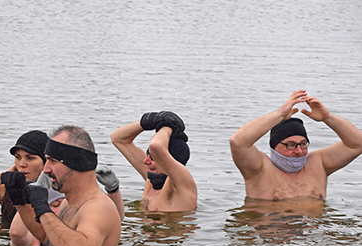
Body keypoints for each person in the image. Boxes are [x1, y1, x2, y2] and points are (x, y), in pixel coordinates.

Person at [4, 126, 121, 246]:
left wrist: (42, 206)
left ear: (76, 163)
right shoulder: (70, 202)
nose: (46, 169)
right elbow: (50, 237)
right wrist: (21, 202)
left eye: (53, 161)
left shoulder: (98, 207)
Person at [229, 90, 362, 200]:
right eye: (290, 145)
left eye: (303, 144)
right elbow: (238, 143)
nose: (299, 151)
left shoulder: (319, 163)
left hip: (315, 230)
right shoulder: (259, 169)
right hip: (275, 230)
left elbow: (357, 144)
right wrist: (279, 114)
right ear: (274, 146)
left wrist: (328, 117)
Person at [110, 111, 197, 212]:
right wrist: (150, 120)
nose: (145, 161)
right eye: (148, 156)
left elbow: (156, 147)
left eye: (153, 158)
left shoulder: (181, 187)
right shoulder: (151, 181)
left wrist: (167, 127)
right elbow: (118, 139)